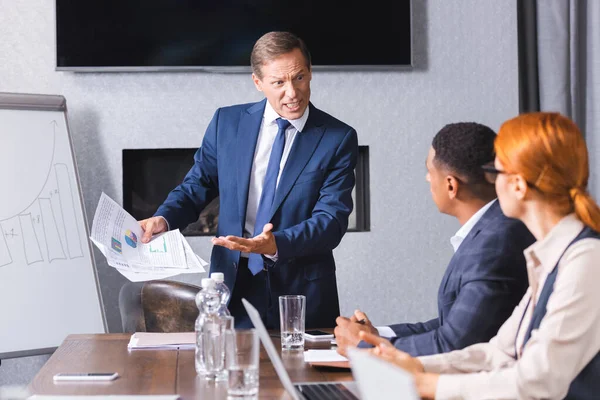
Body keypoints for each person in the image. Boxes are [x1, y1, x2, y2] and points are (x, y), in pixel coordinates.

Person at [362, 112, 600, 399]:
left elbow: (538, 380)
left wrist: (429, 385)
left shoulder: (586, 259)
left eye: (496, 172)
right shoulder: (552, 255)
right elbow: (500, 351)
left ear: (518, 185)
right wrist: (416, 365)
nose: (491, 184)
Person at [139, 32, 358, 329]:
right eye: (279, 82)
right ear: (258, 82)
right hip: (232, 284)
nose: (292, 93)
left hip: (302, 293)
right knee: (230, 370)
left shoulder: (337, 138)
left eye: (300, 78)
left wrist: (274, 244)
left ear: (310, 73)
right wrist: (163, 218)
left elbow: (331, 221)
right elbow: (198, 184)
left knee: (301, 376)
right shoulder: (227, 123)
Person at [335, 122, 535, 357]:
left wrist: (365, 347)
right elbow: (450, 324)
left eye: (430, 172)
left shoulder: (496, 242)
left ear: (451, 185)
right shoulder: (491, 228)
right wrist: (376, 334)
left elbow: (454, 344)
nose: (428, 179)